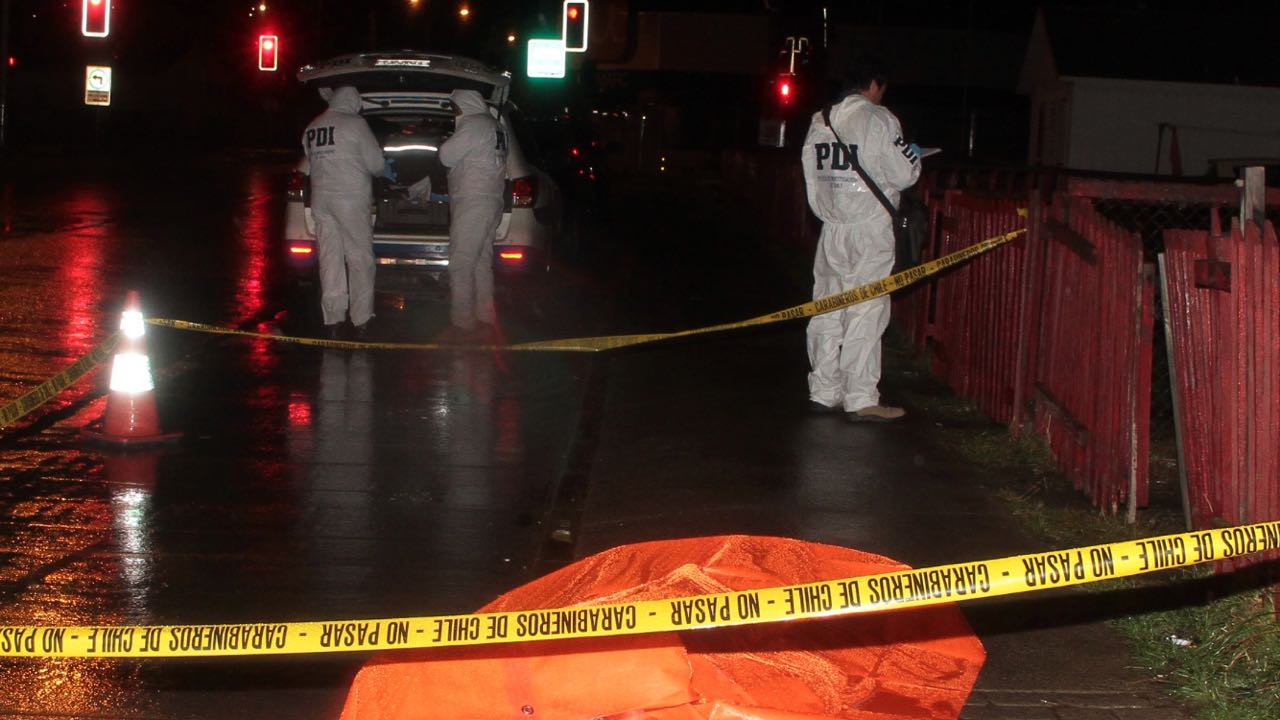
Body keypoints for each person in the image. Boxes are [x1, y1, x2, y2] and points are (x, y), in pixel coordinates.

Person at [800, 56, 921, 422]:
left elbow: (810, 175)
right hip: (870, 229)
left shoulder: (820, 120)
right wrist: (914, 155)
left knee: (827, 308)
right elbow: (904, 174)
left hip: (832, 229)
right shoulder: (878, 119)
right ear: (873, 85)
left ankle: (823, 390)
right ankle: (861, 397)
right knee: (866, 309)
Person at [302, 85, 387, 340]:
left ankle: (333, 321)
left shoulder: (313, 126)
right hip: (350, 199)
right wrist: (384, 170)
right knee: (360, 258)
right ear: (353, 102)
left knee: (330, 259)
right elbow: (376, 164)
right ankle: (361, 320)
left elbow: (311, 158)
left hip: (322, 200)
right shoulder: (355, 124)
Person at [438, 89, 508, 343]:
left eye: (455, 107)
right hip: (491, 200)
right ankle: (485, 318)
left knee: (461, 263)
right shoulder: (495, 126)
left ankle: (462, 323)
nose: (454, 112)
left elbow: (446, 156)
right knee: (480, 263)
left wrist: (445, 141)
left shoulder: (474, 125)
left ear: (464, 104)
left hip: (474, 201)